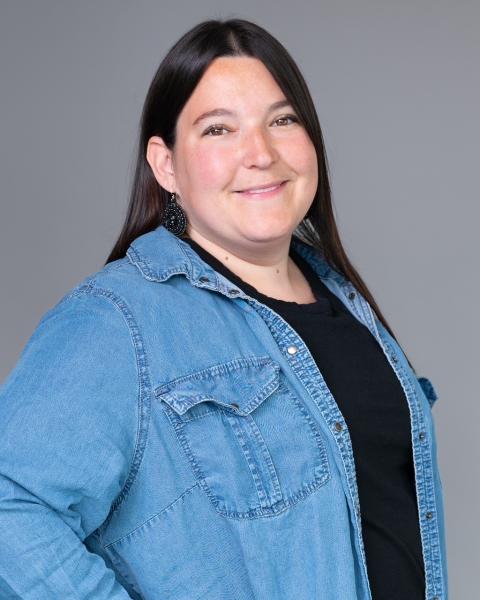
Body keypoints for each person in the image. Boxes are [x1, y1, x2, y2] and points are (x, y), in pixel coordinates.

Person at [0, 18, 448, 600]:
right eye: (218, 130)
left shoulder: (346, 308)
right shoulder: (117, 320)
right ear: (165, 166)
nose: (259, 153)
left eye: (282, 120)